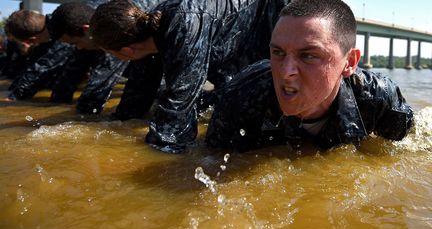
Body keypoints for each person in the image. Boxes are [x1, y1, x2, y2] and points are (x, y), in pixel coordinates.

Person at [205, 0, 414, 152]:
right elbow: (210, 156)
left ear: (349, 62)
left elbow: (409, 148)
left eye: (308, 56)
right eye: (278, 53)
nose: (285, 72)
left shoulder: (379, 100)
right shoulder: (240, 97)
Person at [90, 0, 288, 153]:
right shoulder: (146, 36)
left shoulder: (182, 25)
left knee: (226, 137)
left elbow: (177, 108)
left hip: (267, 21)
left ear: (126, 51)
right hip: (232, 35)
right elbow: (138, 93)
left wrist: (154, 159)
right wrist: (116, 122)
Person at [4, 2, 127, 114]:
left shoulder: (66, 24)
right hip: (97, 36)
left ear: (31, 40)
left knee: (93, 100)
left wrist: (15, 96)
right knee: (65, 92)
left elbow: (45, 65)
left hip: (116, 34)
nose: (77, 48)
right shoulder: (62, 23)